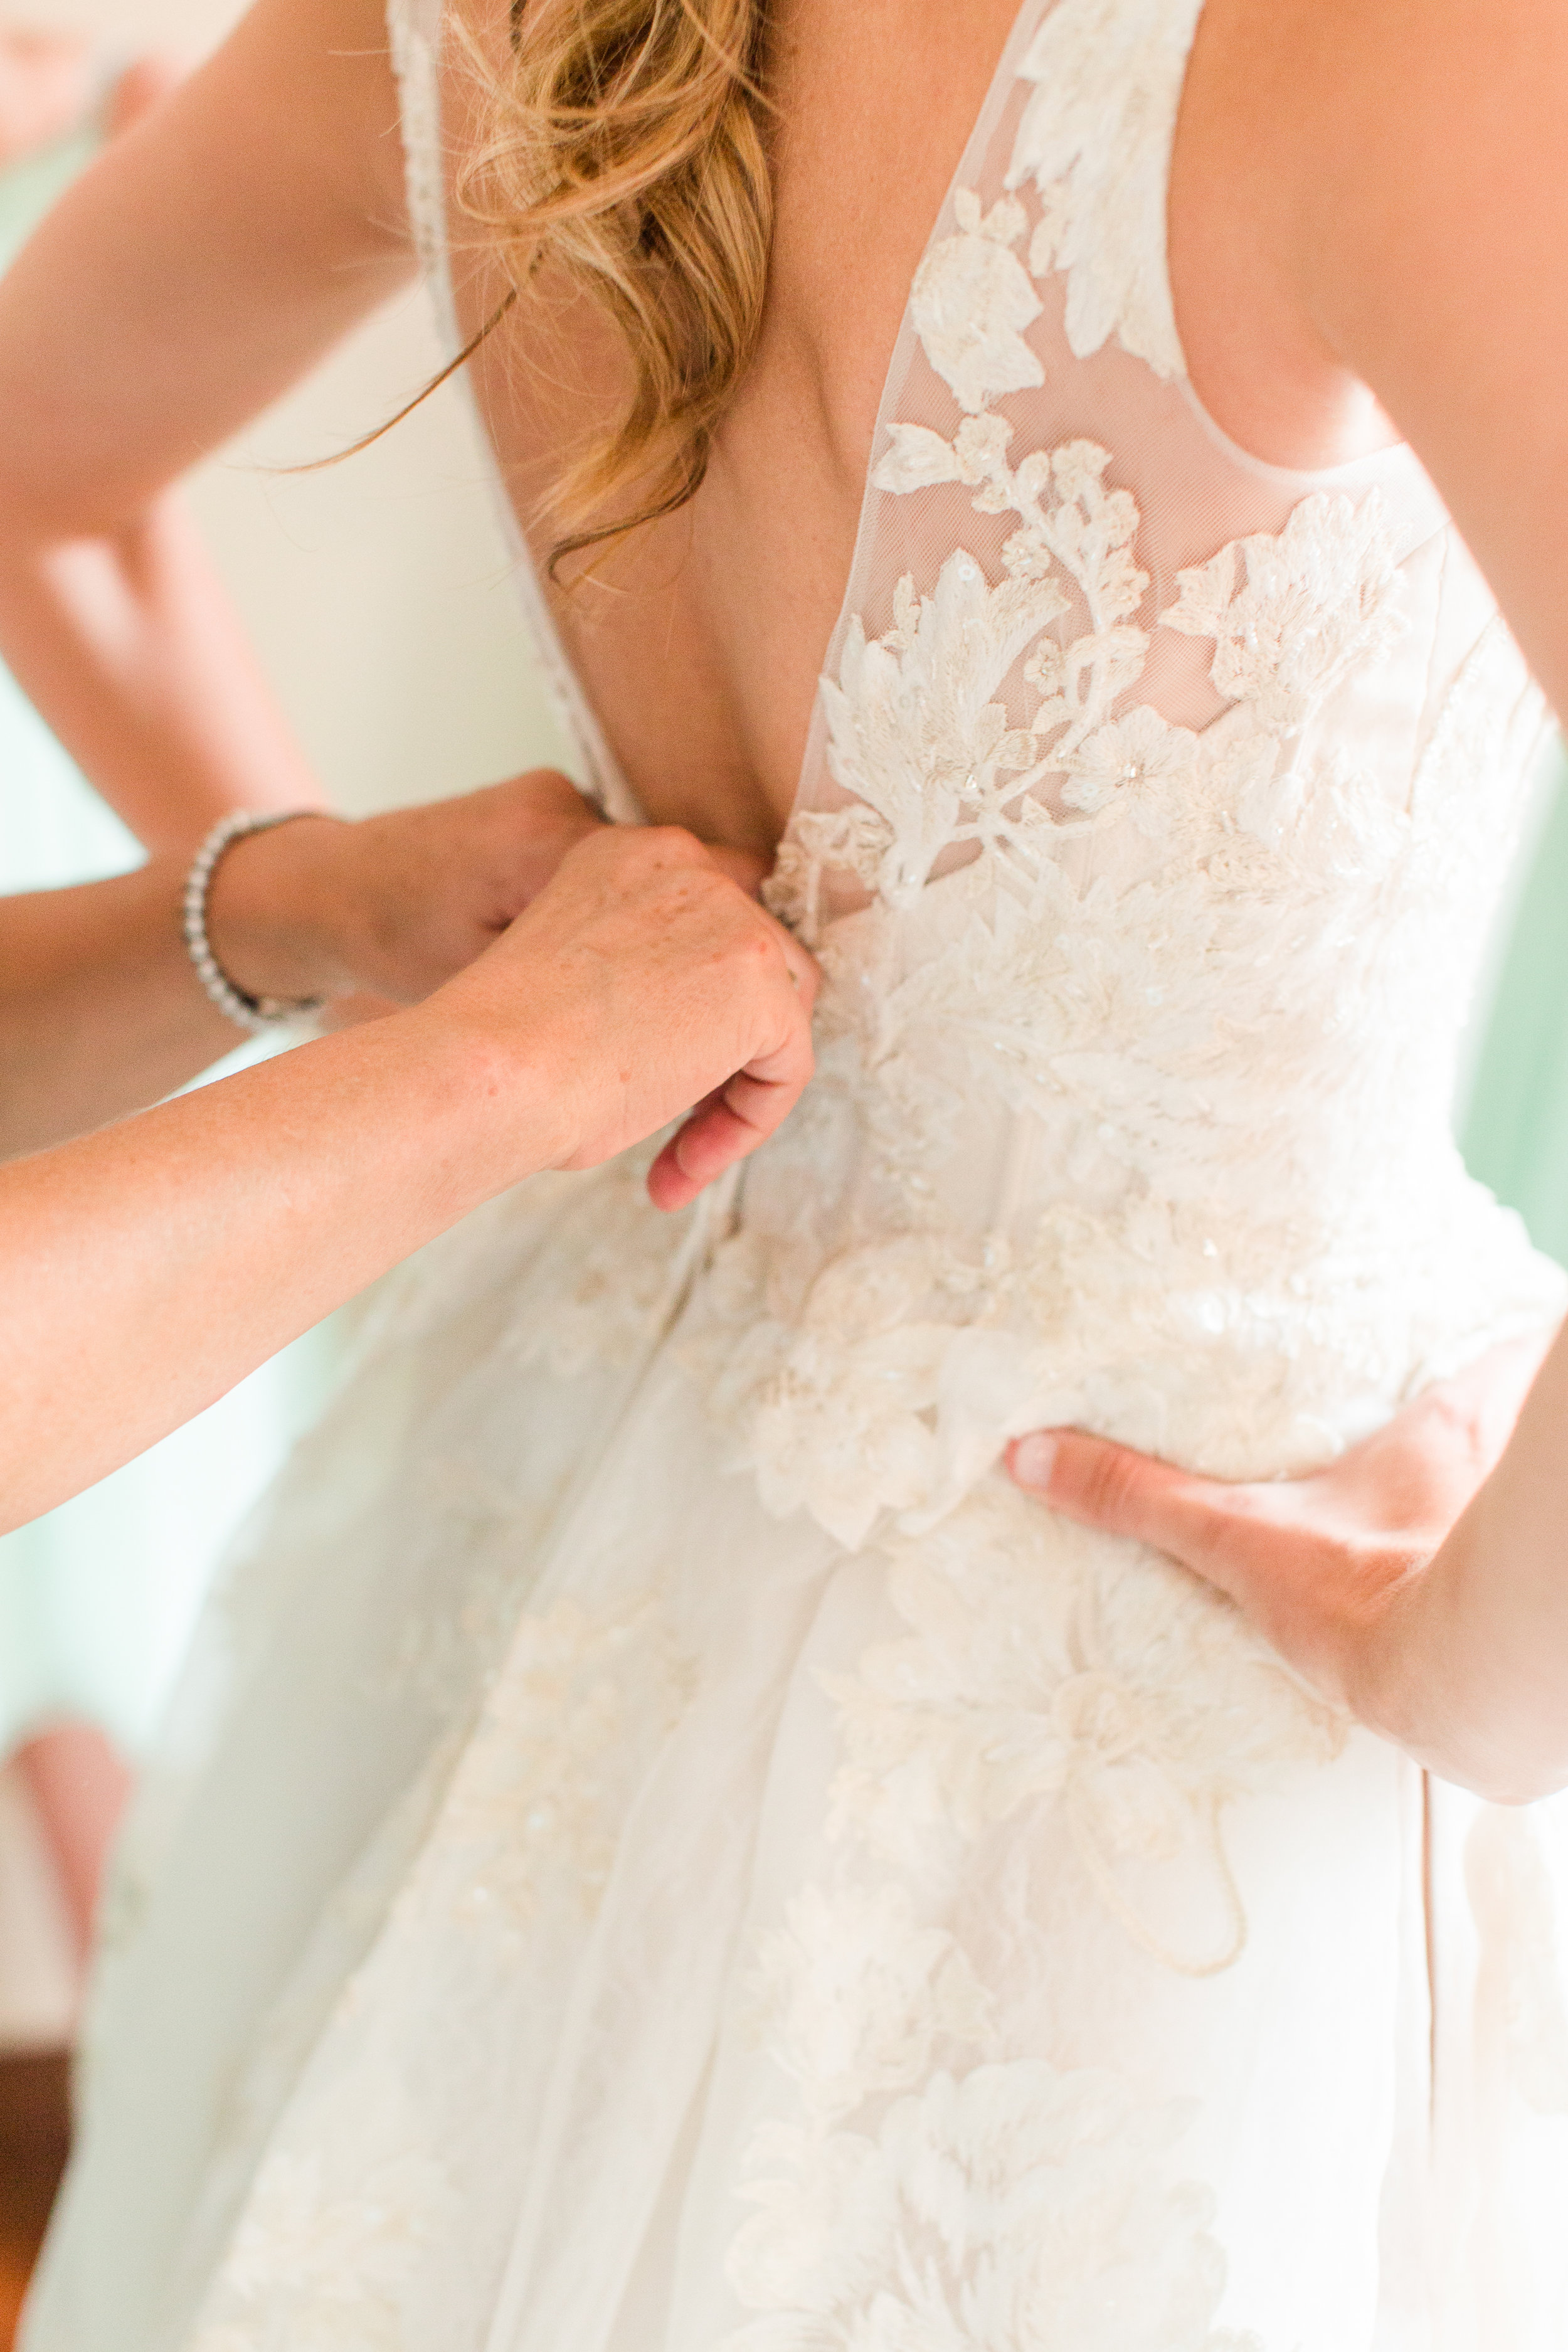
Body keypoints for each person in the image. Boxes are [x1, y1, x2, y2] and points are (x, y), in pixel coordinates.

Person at [4, 0, 1568, 2344]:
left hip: (570, 1467)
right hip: (1181, 1634)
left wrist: (391, 949)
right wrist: (1479, 1675)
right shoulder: (1392, 45)